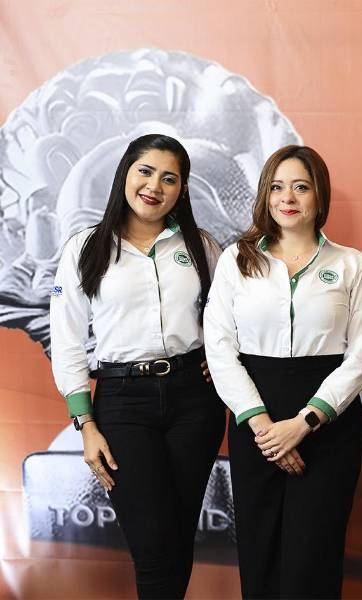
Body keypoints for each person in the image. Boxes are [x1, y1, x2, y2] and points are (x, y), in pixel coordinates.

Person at [49, 134, 226, 599]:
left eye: (170, 178)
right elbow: (66, 341)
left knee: (179, 535)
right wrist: (85, 422)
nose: (154, 186)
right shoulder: (86, 248)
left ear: (182, 189)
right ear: (125, 174)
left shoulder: (201, 245)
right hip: (123, 402)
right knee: (152, 544)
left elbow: (228, 319)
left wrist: (221, 360)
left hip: (195, 400)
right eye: (145, 172)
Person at [203, 144, 362, 599]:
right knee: (261, 555)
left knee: (314, 560)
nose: (288, 197)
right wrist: (265, 429)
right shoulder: (236, 261)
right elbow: (220, 348)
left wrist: (305, 423)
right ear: (265, 196)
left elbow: (361, 354)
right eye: (277, 187)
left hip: (327, 423)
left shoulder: (350, 264)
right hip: (254, 418)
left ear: (319, 197)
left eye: (301, 187)